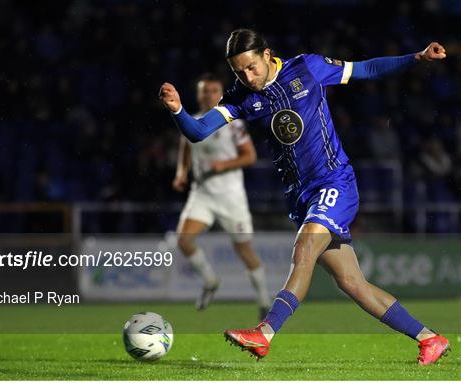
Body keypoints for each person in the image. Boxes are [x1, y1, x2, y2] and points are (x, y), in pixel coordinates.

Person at [159, 29, 450, 365]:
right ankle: (430, 339)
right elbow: (197, 132)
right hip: (301, 197)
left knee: (304, 248)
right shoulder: (240, 96)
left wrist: (416, 57)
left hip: (334, 183)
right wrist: (178, 110)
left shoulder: (308, 68)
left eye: (251, 67)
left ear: (267, 55)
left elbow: (365, 69)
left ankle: (265, 332)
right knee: (353, 283)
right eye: (239, 71)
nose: (246, 77)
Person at [173, 73, 270, 319]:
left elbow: (250, 156)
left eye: (213, 91)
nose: (208, 95)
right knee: (183, 240)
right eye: (204, 91)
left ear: (220, 94)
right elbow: (186, 148)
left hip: (230, 197)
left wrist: (223, 165)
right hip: (202, 194)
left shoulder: (233, 122)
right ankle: (210, 281)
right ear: (198, 94)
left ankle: (264, 301)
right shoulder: (191, 120)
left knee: (244, 250)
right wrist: (182, 173)